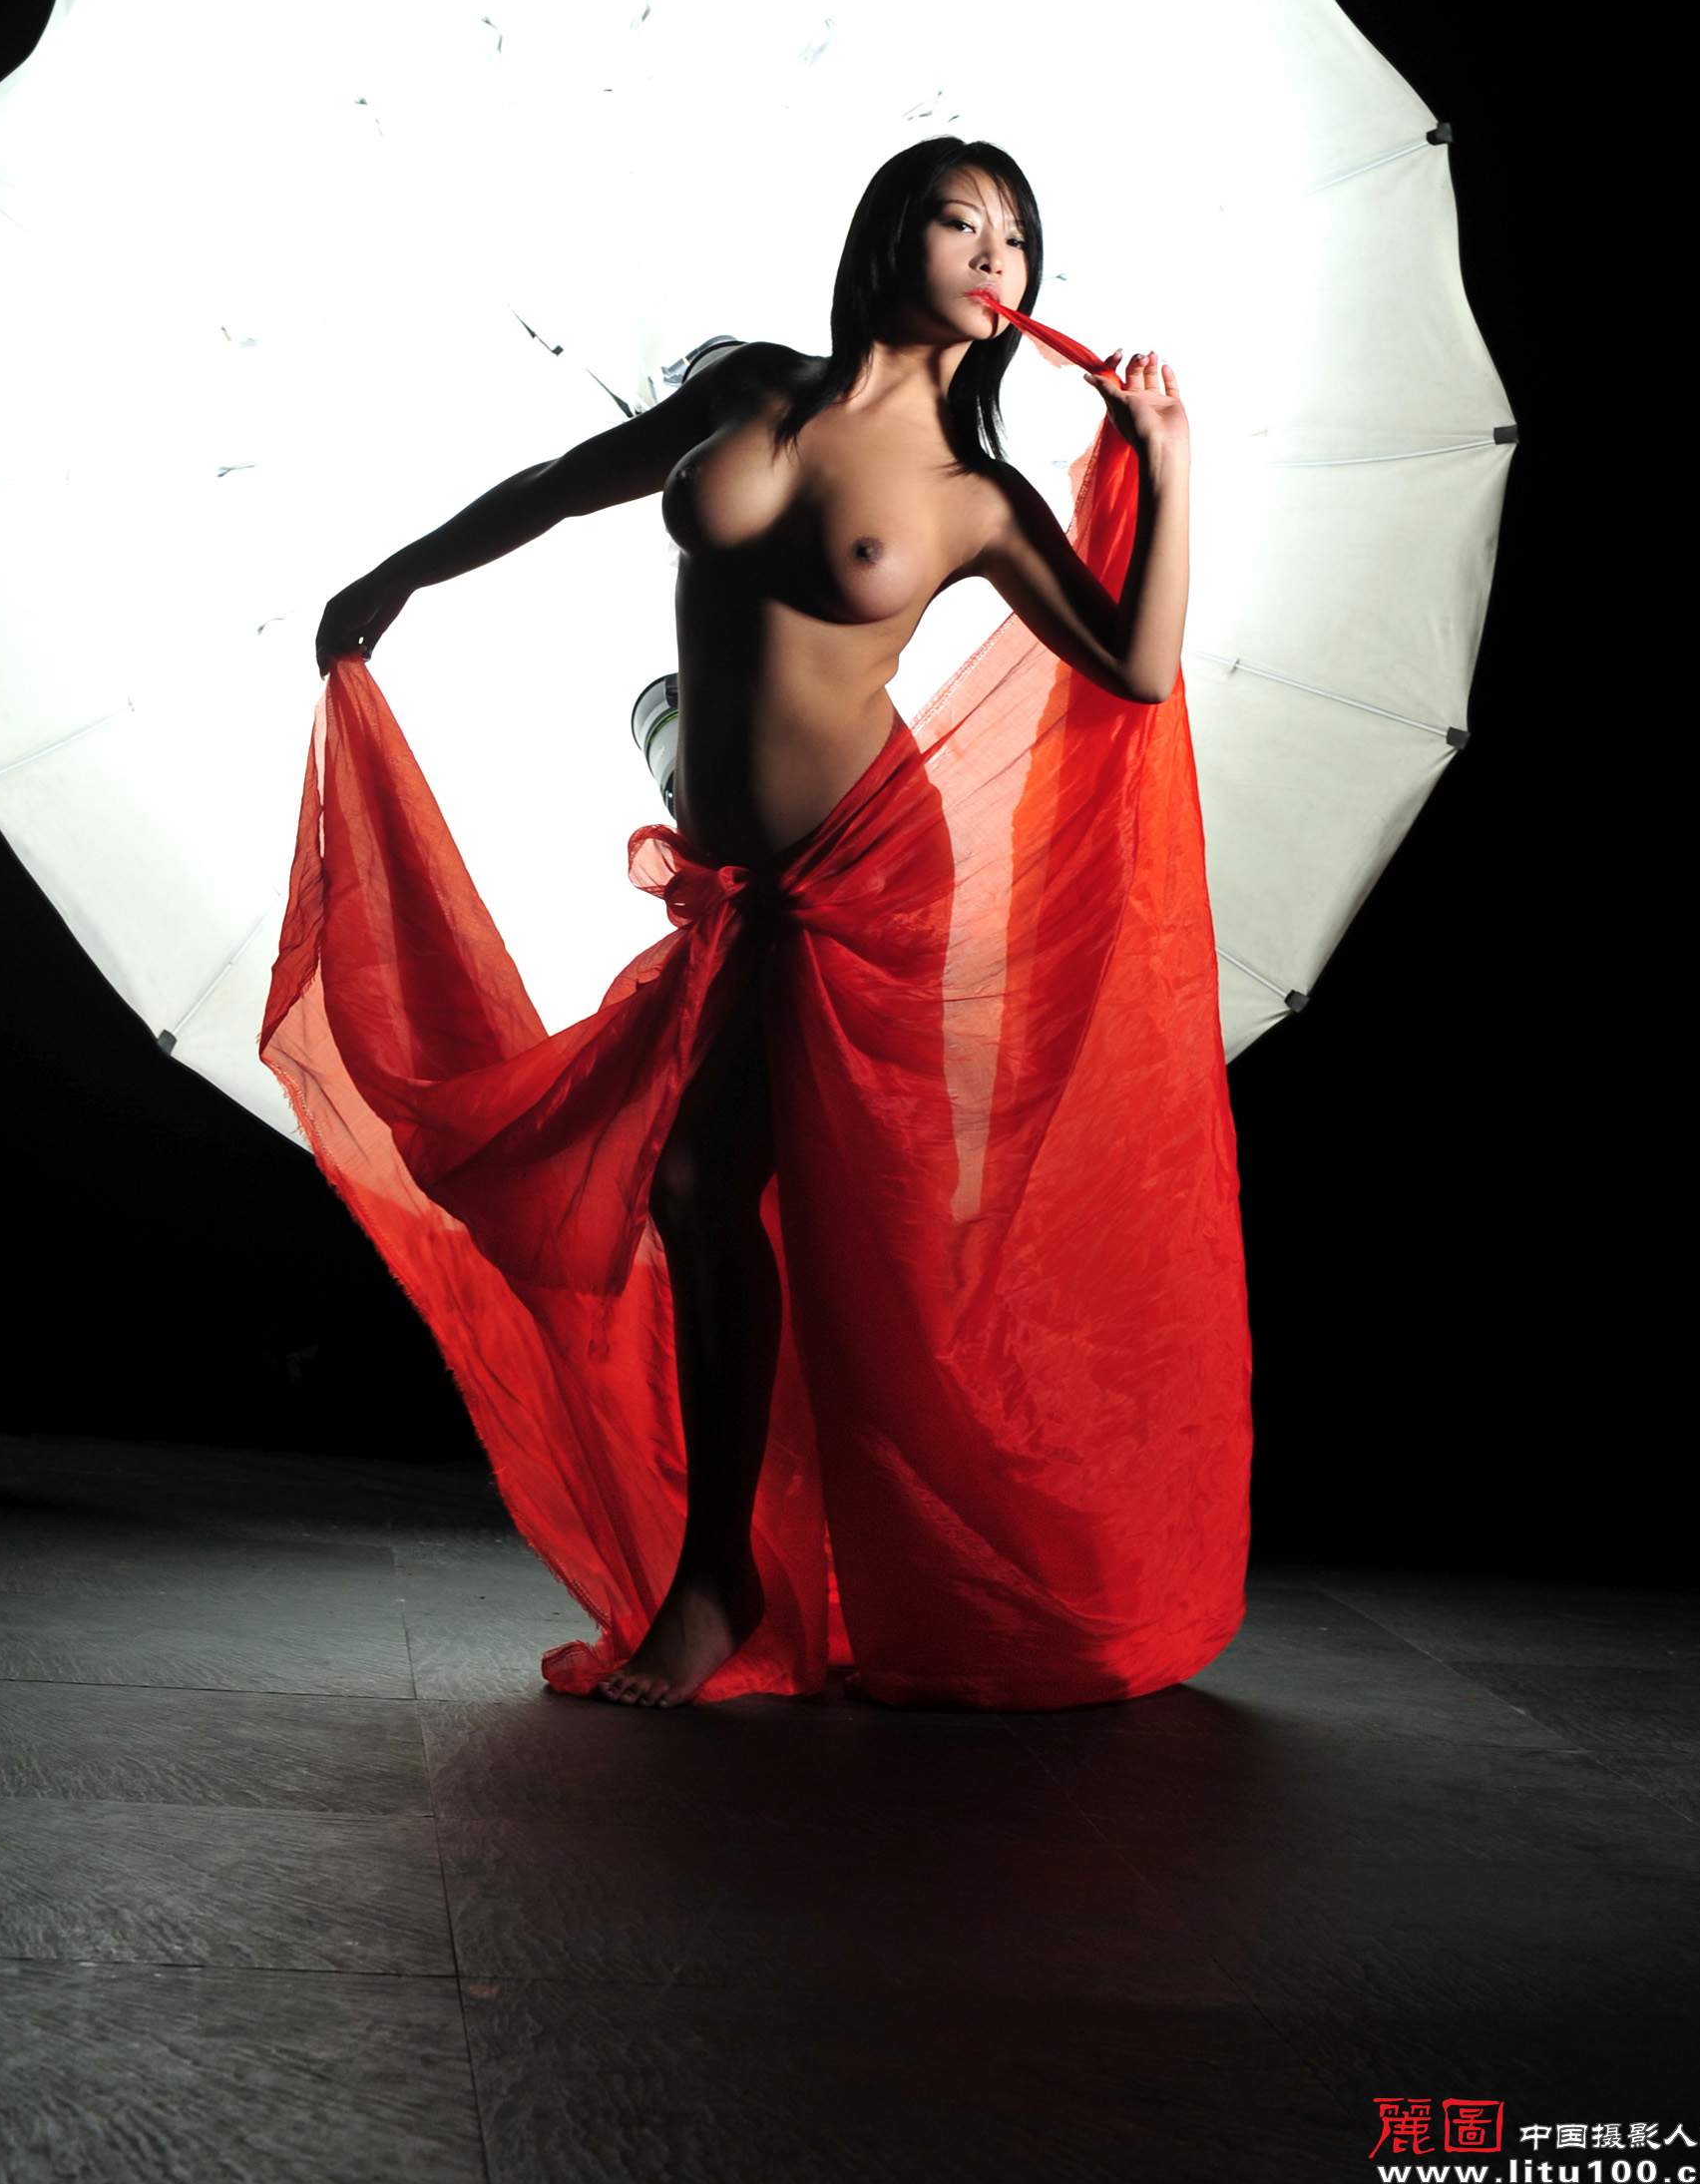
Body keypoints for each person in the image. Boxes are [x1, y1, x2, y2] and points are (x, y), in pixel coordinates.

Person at [274, 135, 1246, 1713]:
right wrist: (400, 575)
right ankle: (747, 1567)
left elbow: (1134, 667)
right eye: (959, 219)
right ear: (887, 237)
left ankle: (733, 1576)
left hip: (869, 877)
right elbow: (558, 486)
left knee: (721, 1191)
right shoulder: (751, 391)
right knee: (734, 1205)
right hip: (739, 876)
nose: (994, 254)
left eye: (1017, 237)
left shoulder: (977, 497)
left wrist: (1170, 458)